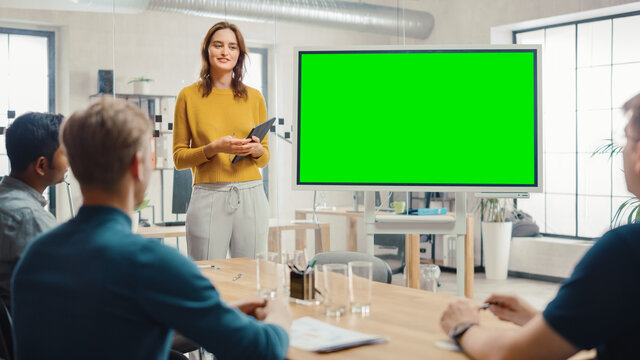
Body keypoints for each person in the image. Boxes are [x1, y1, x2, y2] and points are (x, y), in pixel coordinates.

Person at [12, 98, 291, 359]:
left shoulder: (36, 256)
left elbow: (108, 329)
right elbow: (263, 350)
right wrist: (279, 314)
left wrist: (217, 313)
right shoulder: (154, 263)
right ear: (137, 165)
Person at [440, 92, 640, 360]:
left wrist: (463, 326)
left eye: (626, 140)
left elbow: (513, 355)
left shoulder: (626, 250)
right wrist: (544, 321)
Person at [173, 21, 270, 261]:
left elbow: (264, 158)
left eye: (232, 47)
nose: (225, 52)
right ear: (207, 50)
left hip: (252, 195)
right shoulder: (188, 96)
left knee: (252, 276)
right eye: (218, 45)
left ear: (240, 54)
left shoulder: (255, 97)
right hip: (208, 195)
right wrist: (214, 148)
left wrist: (256, 149)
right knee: (206, 275)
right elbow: (178, 158)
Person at [0, 112, 67, 311]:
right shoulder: (29, 218)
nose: (69, 162)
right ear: (41, 165)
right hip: (35, 335)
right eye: (65, 153)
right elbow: (66, 288)